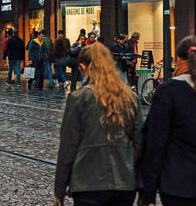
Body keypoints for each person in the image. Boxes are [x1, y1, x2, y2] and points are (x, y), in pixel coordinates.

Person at [54, 42, 142, 206]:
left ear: (83, 67)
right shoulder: (131, 97)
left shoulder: (79, 98)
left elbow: (67, 148)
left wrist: (59, 191)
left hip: (88, 183)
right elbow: (139, 144)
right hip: (124, 184)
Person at [140, 36, 196, 206]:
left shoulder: (168, 91)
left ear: (178, 59)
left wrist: (147, 194)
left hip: (177, 185)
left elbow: (155, 144)